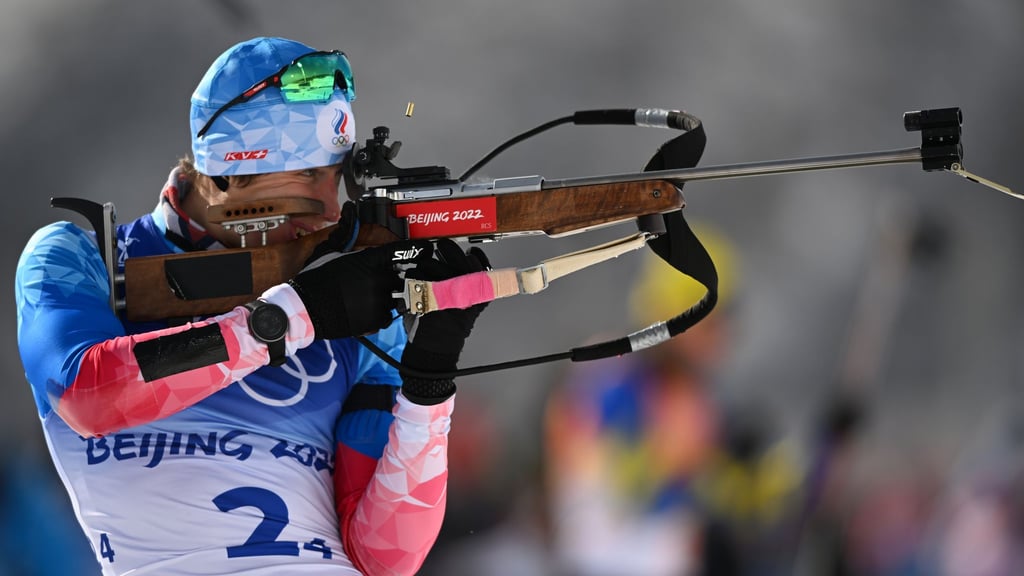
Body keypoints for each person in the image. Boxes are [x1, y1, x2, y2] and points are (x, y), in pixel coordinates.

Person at [15, 36, 487, 576]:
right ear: (229, 173)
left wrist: (429, 388)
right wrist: (284, 321)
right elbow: (88, 396)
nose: (331, 208)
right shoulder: (82, 258)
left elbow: (385, 557)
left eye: (338, 176)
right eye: (310, 175)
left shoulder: (356, 302)